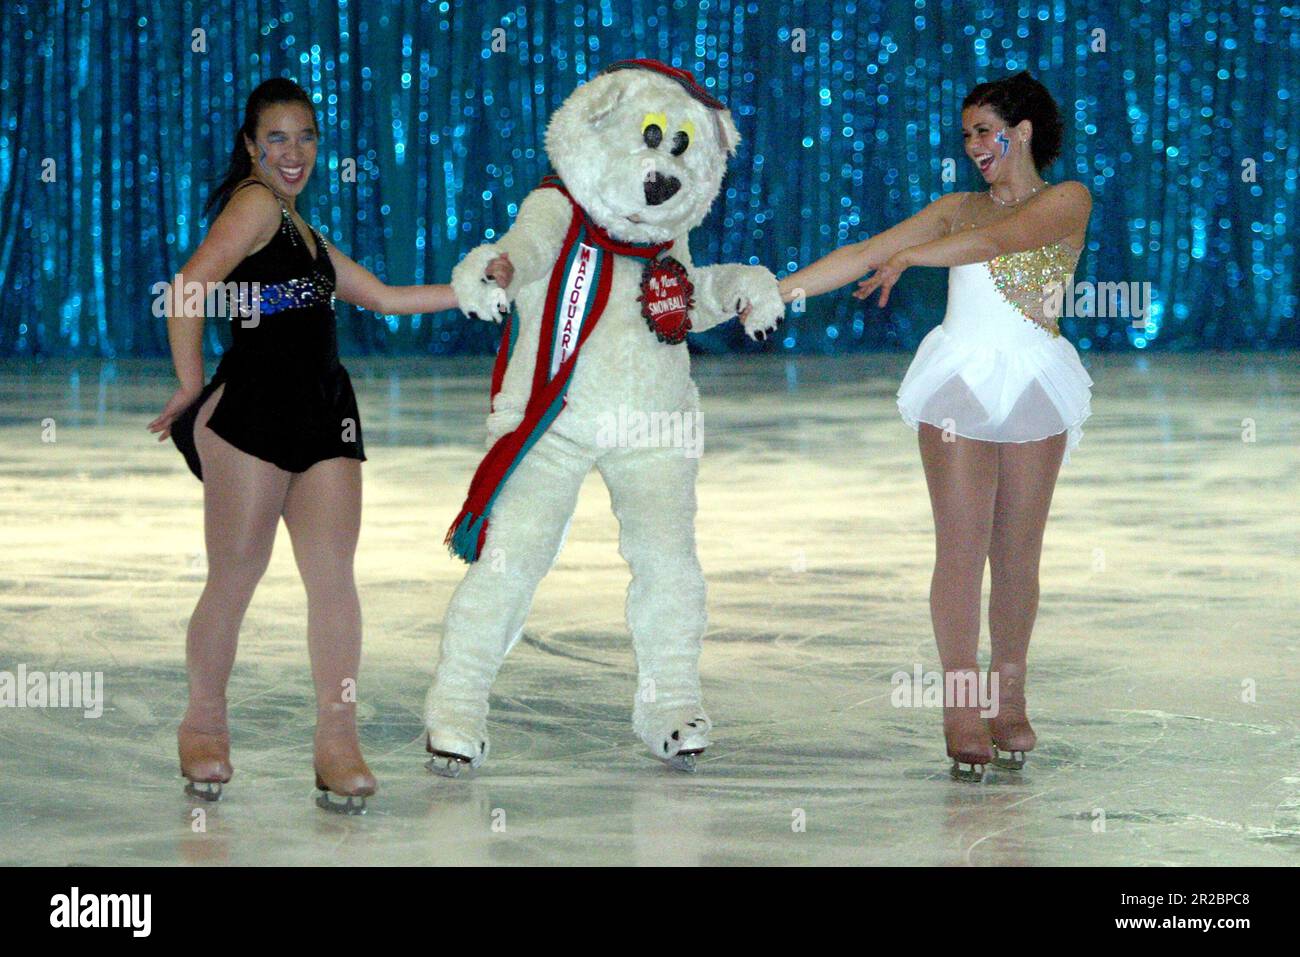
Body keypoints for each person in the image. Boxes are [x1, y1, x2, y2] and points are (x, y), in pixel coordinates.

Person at [146, 78, 511, 811]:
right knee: (235, 577)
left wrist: (479, 282)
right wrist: (191, 388)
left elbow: (383, 297)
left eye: (306, 137)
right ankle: (204, 724)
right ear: (250, 145)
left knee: (333, 579)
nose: (293, 152)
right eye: (276, 138)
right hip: (252, 411)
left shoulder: (302, 231)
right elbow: (190, 286)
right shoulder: (253, 204)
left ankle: (337, 743)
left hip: (324, 410)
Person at [778, 72, 1093, 781]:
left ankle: (1007, 695)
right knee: (961, 548)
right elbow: (863, 252)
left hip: (1036, 380)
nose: (975, 145)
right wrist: (776, 292)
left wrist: (912, 256)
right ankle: (961, 703)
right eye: (968, 135)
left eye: (985, 130)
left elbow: (1001, 242)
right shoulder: (956, 207)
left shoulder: (1068, 199)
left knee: (1017, 555)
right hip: (958, 381)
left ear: (1026, 130)